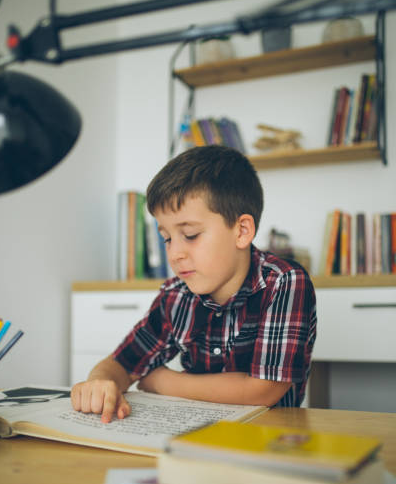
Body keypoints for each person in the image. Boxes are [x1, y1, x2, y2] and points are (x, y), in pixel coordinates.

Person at [71, 145, 316, 422]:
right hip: (194, 434)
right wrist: (100, 381)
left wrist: (162, 381)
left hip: (269, 440)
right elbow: (122, 364)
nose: (175, 253)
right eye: (167, 238)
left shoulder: (284, 281)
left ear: (242, 231)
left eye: (190, 234)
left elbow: (264, 389)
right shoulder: (175, 295)